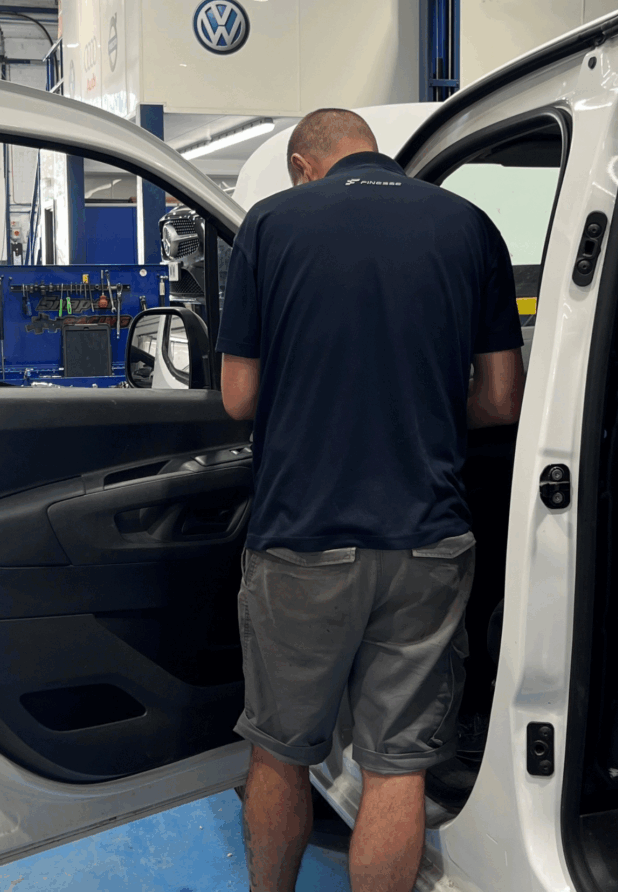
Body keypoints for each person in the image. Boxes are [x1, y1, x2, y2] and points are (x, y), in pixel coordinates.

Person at [216, 108, 525, 892]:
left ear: (302, 164)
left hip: (301, 538)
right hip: (427, 540)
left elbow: (239, 395)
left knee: (281, 753)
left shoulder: (273, 225)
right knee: (397, 767)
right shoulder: (468, 225)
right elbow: (499, 400)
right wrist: (414, 401)